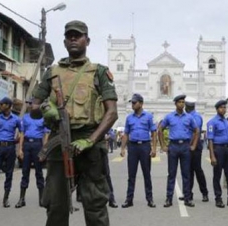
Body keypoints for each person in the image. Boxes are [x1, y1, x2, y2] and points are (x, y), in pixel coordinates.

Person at [31, 20, 118, 226]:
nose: (73, 39)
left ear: (87, 40)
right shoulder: (51, 73)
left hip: (90, 145)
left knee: (95, 204)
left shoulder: (99, 72)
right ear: (64, 41)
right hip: (58, 141)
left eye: (77, 35)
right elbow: (33, 109)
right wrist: (46, 109)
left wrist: (90, 140)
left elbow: (112, 112)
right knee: (56, 205)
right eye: (69, 36)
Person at [158, 94, 199, 208]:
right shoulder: (169, 117)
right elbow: (160, 129)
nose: (182, 104)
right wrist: (163, 145)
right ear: (175, 104)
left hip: (185, 146)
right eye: (179, 102)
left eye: (183, 102)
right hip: (173, 147)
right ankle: (169, 199)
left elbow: (196, 130)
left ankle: (187, 199)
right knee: (171, 174)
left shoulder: (189, 117)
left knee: (186, 174)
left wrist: (194, 145)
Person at [120, 93, 157, 208]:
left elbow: (154, 133)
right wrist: (122, 148)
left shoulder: (148, 116)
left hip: (145, 147)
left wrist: (154, 148)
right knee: (131, 175)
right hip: (133, 147)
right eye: (132, 102)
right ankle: (129, 199)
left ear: (141, 104)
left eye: (135, 102)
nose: (132, 104)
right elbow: (126, 133)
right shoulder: (129, 118)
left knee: (147, 174)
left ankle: (150, 199)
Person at [15, 98, 50, 208]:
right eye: (30, 104)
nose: (31, 105)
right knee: (25, 172)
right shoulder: (25, 117)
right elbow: (22, 133)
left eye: (32, 104)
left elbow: (46, 135)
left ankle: (42, 199)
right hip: (27, 145)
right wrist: (20, 149)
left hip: (37, 145)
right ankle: (22, 199)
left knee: (39, 173)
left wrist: (44, 151)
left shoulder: (43, 118)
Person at [178, 96, 208, 202]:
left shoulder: (196, 117)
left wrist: (190, 144)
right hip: (186, 146)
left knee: (197, 170)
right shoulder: (185, 116)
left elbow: (196, 132)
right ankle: (188, 193)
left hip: (195, 147)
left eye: (186, 105)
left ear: (188, 106)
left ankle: (204, 193)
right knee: (187, 170)